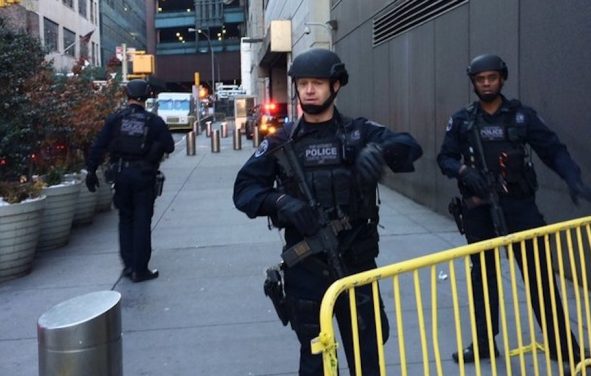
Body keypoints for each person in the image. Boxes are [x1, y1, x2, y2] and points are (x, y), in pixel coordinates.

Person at [233, 48, 423, 375]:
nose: (309, 90)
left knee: (367, 357)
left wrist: (379, 151)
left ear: (336, 86)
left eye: (318, 83)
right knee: (314, 359)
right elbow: (244, 189)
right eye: (303, 83)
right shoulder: (281, 142)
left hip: (356, 262)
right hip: (305, 267)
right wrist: (281, 202)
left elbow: (410, 147)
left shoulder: (359, 132)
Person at [437, 53, 591, 364]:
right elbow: (445, 158)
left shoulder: (521, 117)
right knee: (483, 277)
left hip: (520, 207)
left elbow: (553, 150)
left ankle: (563, 344)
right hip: (479, 208)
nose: (486, 84)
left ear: (502, 79)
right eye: (480, 80)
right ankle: (483, 343)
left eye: (492, 78)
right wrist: (465, 173)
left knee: (539, 275)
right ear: (473, 83)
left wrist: (573, 178)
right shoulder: (463, 120)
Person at [85, 79, 174, 283]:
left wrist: (91, 170)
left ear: (128, 95)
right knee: (142, 220)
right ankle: (140, 269)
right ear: (147, 96)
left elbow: (99, 145)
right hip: (144, 176)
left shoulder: (116, 119)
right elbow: (169, 146)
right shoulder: (153, 121)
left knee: (125, 219)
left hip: (121, 175)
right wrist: (154, 149)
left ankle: (128, 265)